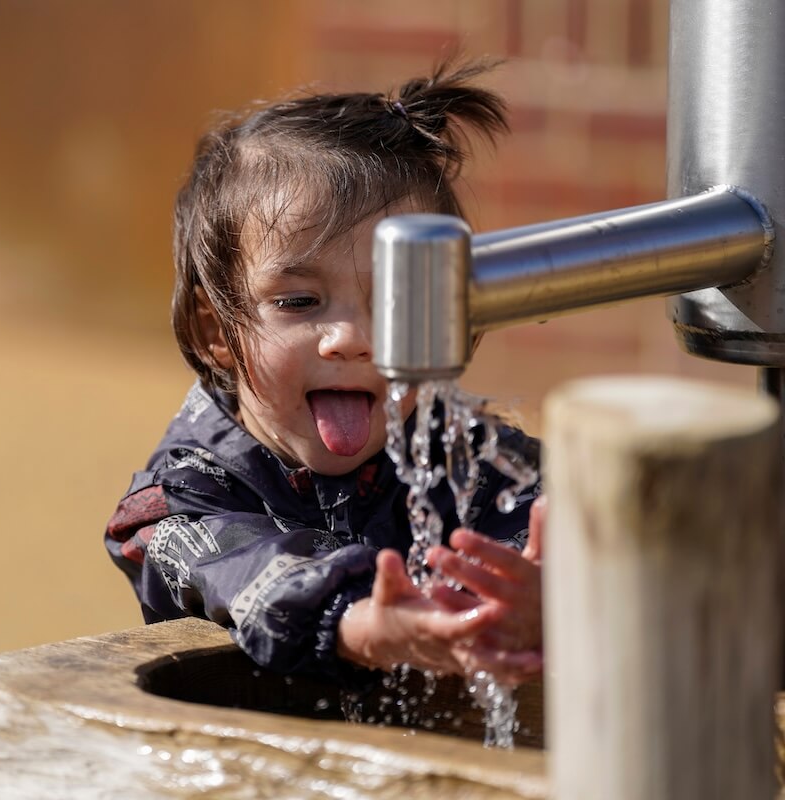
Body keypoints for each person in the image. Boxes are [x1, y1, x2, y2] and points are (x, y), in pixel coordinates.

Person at [104, 59, 544, 687]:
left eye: (396, 300)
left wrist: (547, 593)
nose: (352, 339)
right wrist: (361, 620)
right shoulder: (184, 498)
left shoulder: (466, 456)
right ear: (214, 330)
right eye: (298, 302)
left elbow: (563, 525)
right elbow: (237, 567)